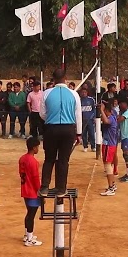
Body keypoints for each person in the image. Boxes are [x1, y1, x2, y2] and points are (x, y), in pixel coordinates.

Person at [38, 68, 82, 198]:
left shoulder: (46, 93)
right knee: (63, 160)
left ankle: (44, 187)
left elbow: (42, 114)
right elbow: (78, 115)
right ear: (65, 78)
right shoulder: (74, 94)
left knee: (49, 158)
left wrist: (52, 118)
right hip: (68, 129)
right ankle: (61, 188)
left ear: (54, 79)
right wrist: (78, 133)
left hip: (51, 128)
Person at [19, 136, 43, 246]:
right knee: (31, 215)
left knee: (29, 214)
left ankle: (26, 235)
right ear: (34, 148)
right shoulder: (33, 161)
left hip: (25, 189)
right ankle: (29, 239)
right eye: (38, 147)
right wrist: (40, 192)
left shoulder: (22, 159)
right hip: (32, 192)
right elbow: (35, 179)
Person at [99, 100, 118, 196]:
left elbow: (105, 120)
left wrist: (101, 110)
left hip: (108, 144)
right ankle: (113, 185)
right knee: (109, 165)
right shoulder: (113, 115)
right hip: (111, 144)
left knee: (107, 165)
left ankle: (111, 187)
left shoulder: (110, 118)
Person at [80, 87, 96, 151]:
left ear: (87, 93)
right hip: (82, 120)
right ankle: (85, 146)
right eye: (82, 92)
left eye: (85, 92)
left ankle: (93, 146)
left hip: (90, 119)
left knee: (91, 133)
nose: (84, 94)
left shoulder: (91, 100)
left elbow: (94, 109)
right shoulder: (79, 100)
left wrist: (94, 117)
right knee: (84, 133)